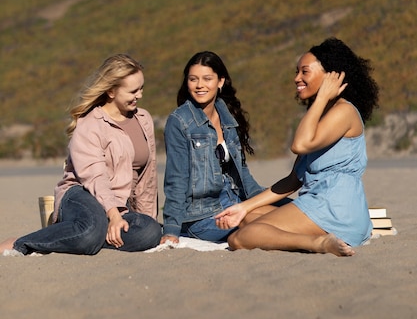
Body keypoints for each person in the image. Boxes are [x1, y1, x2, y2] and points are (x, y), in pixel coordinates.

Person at [215, 38, 380, 257]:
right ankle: (316, 238)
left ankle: (319, 243)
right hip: (318, 202)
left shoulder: (344, 111)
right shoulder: (320, 116)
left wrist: (321, 97)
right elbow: (293, 180)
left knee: (238, 238)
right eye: (296, 72)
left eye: (305, 72)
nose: (297, 78)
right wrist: (243, 207)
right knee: (247, 219)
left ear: (332, 76)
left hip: (336, 208)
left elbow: (299, 145)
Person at [0, 53, 161, 256]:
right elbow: (95, 176)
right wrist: (113, 215)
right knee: (89, 232)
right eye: (133, 91)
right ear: (111, 91)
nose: (139, 95)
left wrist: (145, 218)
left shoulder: (144, 119)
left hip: (119, 203)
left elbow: (147, 178)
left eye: (141, 88)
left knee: (150, 231)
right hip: (82, 193)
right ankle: (21, 242)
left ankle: (76, 234)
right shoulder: (90, 123)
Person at [161, 51, 264, 244]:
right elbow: (176, 180)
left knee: (289, 210)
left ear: (220, 81)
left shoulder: (227, 116)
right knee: (259, 222)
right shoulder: (179, 121)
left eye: (207, 78)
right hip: (201, 215)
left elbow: (242, 171)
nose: (200, 85)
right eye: (193, 79)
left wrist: (260, 199)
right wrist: (171, 230)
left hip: (234, 199)